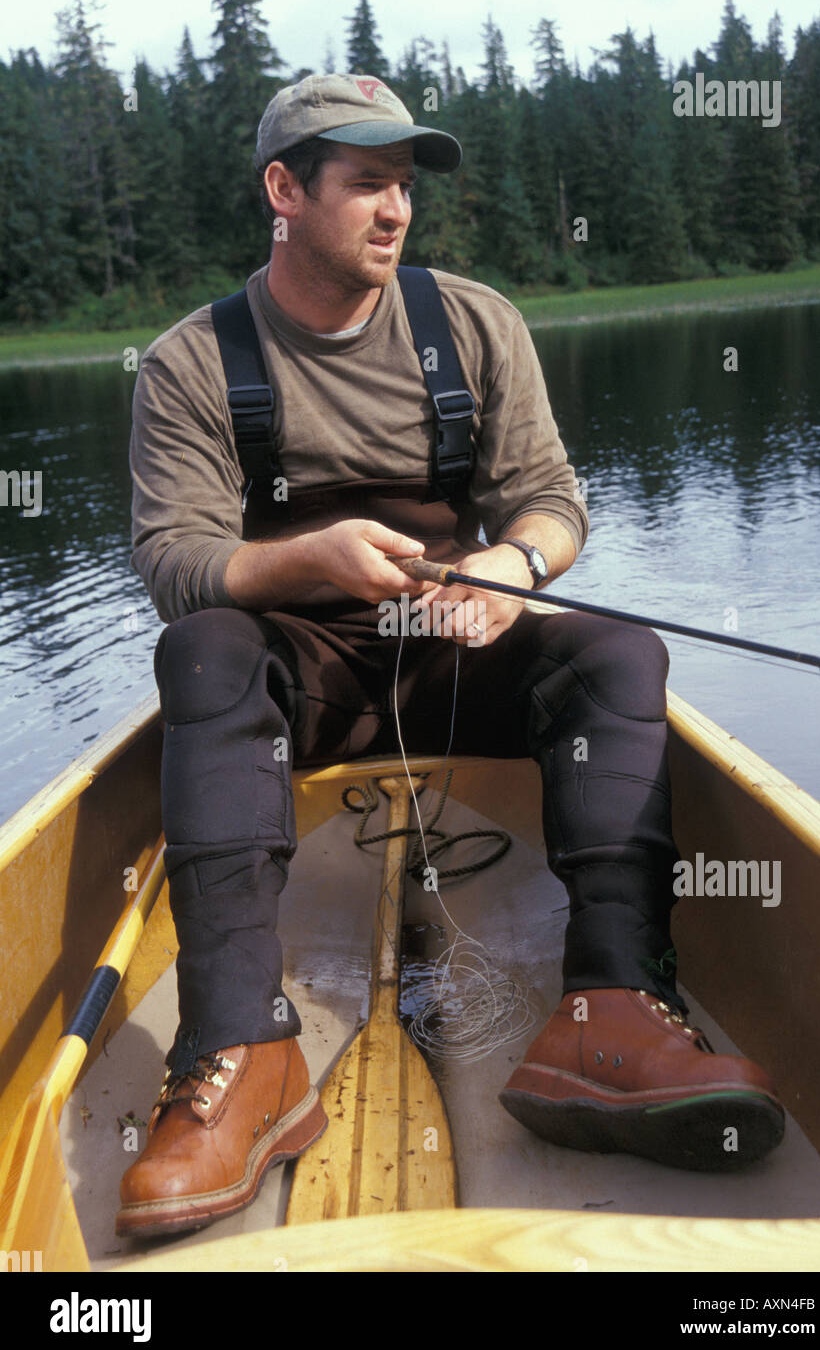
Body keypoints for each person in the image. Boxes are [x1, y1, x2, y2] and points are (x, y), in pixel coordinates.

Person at [118, 73, 784, 1238]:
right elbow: (177, 560)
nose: (395, 210)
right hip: (299, 678)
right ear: (284, 192)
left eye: (405, 186)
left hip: (455, 649)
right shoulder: (189, 362)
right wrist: (309, 555)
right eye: (366, 183)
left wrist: (510, 570)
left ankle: (614, 1007)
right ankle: (238, 1051)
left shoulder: (474, 324)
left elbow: (552, 502)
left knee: (619, 657)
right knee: (205, 647)